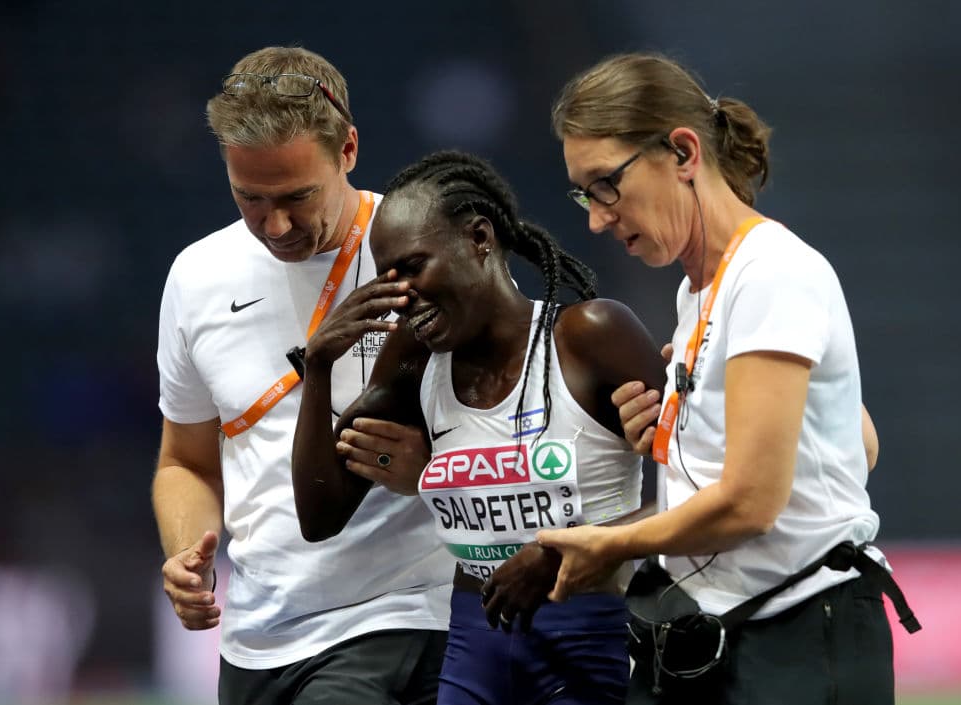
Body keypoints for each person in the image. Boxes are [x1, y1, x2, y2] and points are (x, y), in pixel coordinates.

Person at [535, 53, 917, 704]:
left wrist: (612, 543)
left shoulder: (770, 272)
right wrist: (685, 433)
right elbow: (856, 443)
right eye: (583, 193)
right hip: (735, 631)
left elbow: (751, 501)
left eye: (606, 184)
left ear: (683, 152)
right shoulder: (699, 296)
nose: (596, 217)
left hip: (800, 636)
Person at [290, 150, 668, 705]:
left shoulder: (590, 335)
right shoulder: (414, 357)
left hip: (593, 632)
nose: (402, 297)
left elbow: (709, 488)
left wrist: (568, 552)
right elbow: (320, 516)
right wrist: (319, 367)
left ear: (480, 238)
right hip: (477, 639)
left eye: (414, 267)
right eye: (387, 280)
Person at [152, 46, 453, 705]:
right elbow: (186, 460)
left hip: (406, 613)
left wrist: (433, 469)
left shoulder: (434, 253)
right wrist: (184, 555)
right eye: (250, 199)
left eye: (297, 197)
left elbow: (522, 422)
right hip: (258, 640)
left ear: (347, 148)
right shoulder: (196, 277)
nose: (276, 224)